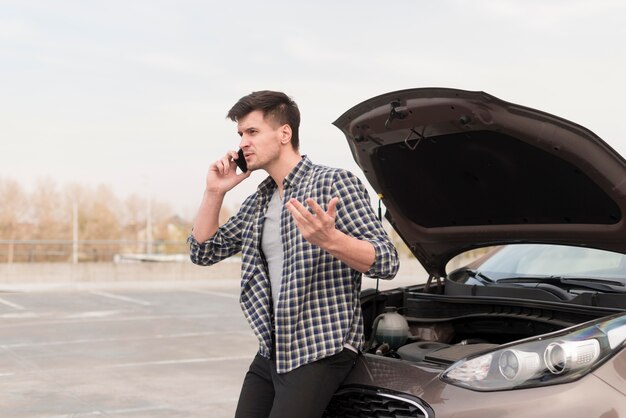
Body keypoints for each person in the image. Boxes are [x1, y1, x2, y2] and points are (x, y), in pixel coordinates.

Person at [188, 90, 399, 418]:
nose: (243, 142)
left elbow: (387, 260)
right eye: (241, 134)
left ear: (284, 133)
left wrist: (331, 240)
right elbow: (203, 251)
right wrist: (214, 191)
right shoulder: (259, 201)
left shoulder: (334, 183)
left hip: (320, 347)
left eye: (253, 132)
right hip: (273, 348)